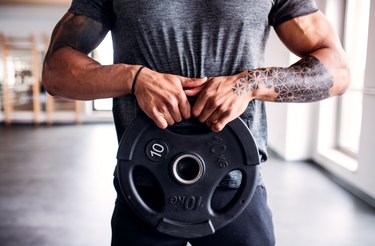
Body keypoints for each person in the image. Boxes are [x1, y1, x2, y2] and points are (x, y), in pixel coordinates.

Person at [42, 0, 350, 245]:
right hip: (145, 182)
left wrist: (250, 83)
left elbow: (337, 72)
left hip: (235, 183)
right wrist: (133, 78)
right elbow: (56, 71)